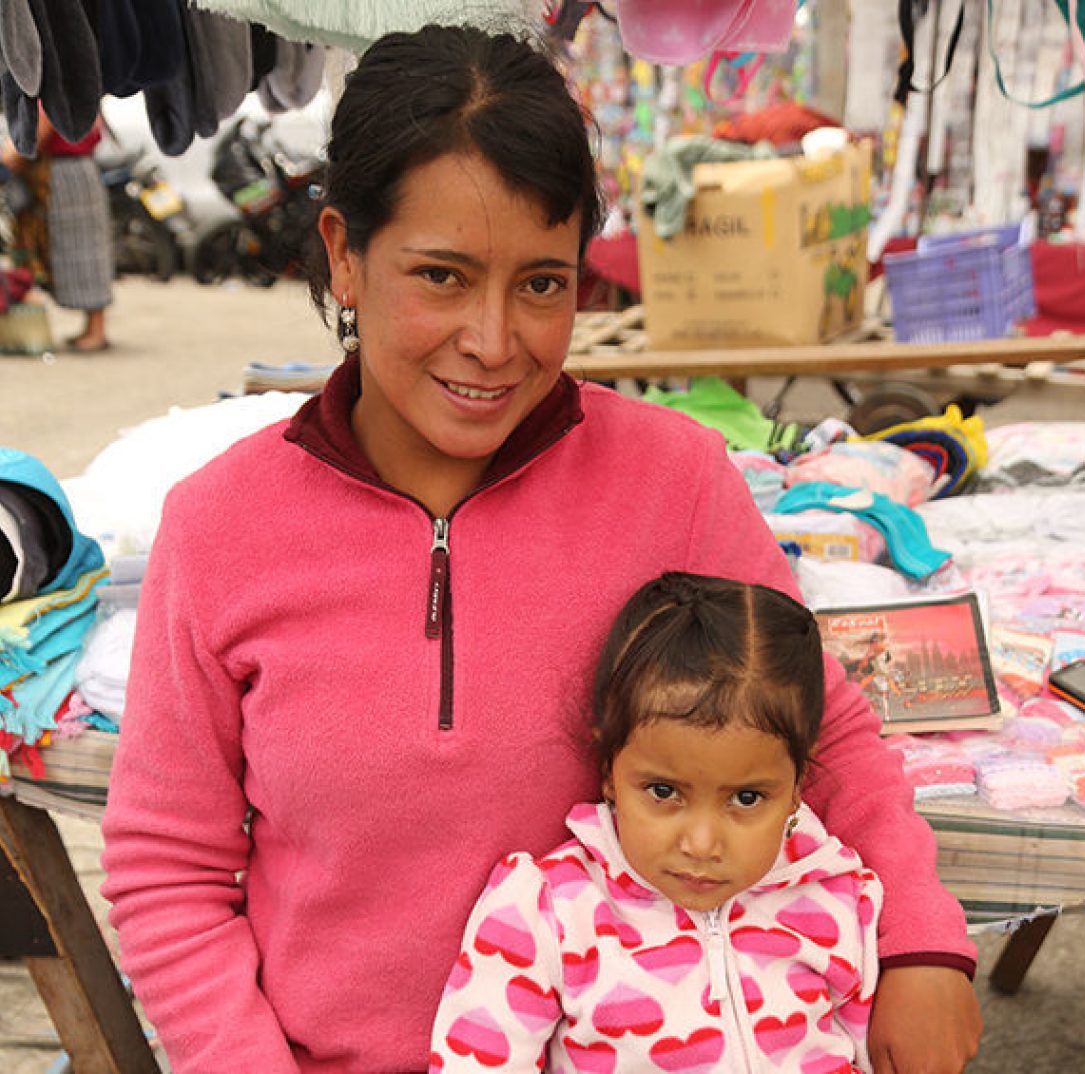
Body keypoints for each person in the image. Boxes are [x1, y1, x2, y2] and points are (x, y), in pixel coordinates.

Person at [100, 22, 981, 1074]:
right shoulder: (222, 526)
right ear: (344, 252)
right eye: (441, 276)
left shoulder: (676, 482)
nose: (493, 340)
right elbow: (169, 872)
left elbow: (823, 733)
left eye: (542, 284)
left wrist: (925, 942)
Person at [430, 571, 884, 1071]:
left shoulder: (839, 897)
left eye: (747, 798)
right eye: (664, 792)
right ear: (609, 770)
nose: (702, 843)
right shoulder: (550, 911)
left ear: (797, 786)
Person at [0, 109, 113, 352]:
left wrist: (12, 155)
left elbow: (38, 132)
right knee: (85, 249)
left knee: (81, 251)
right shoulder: (78, 87)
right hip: (76, 170)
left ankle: (96, 330)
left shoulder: (52, 90)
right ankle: (93, 328)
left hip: (66, 174)